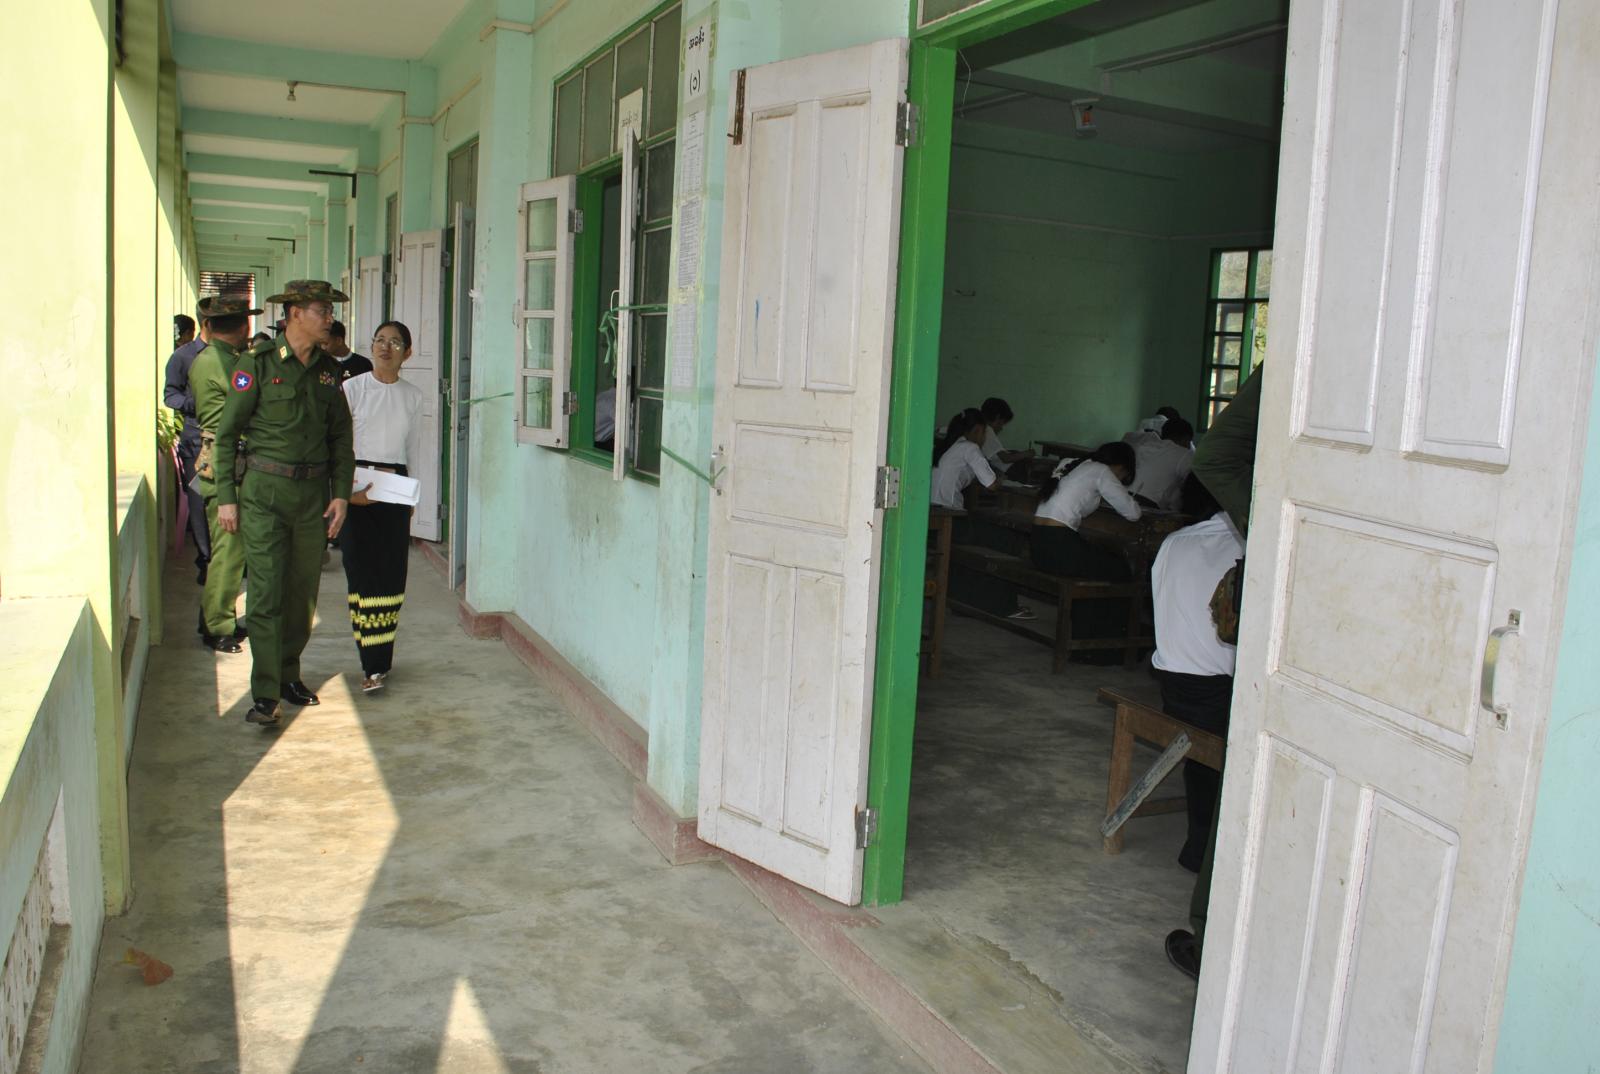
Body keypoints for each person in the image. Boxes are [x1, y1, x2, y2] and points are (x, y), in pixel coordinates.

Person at [214, 280, 356, 728]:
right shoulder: (256, 364)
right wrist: (226, 499)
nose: (329, 318)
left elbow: (341, 439)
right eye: (321, 310)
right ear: (295, 313)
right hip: (264, 494)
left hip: (312, 497)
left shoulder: (329, 372)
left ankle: (289, 675)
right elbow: (225, 436)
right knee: (265, 593)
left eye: (330, 310)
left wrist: (340, 493)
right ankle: (265, 693)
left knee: (301, 595)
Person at [1164, 365, 1261, 980]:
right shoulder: (1238, 541)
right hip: (1217, 687)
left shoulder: (1190, 540)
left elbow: (1218, 455)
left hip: (1176, 681)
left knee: (1235, 784)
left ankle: (1211, 933)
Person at [1149, 476, 1241, 885]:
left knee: (1203, 760)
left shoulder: (1175, 542)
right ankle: (1207, 851)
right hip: (1215, 689)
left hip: (1171, 681)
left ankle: (1200, 844)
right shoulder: (1244, 547)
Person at [341, 320, 424, 693]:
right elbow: (339, 444)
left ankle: (378, 664)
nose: (385, 348)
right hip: (356, 484)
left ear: (408, 353)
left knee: (390, 574)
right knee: (361, 572)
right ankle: (369, 661)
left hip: (395, 487)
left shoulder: (413, 396)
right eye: (379, 340)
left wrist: (412, 497)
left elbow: (415, 448)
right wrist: (345, 490)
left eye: (395, 343)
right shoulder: (352, 389)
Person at [189, 295, 264, 653]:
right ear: (244, 326)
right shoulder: (222, 363)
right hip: (226, 462)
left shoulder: (219, 358)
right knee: (229, 551)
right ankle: (216, 624)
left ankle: (216, 616)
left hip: (228, 460)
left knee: (230, 550)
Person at [1030, 441, 1140, 580]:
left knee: (1099, 558)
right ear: (1121, 467)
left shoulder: (1068, 463)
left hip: (1037, 545)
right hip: (1059, 548)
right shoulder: (1101, 470)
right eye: (1123, 476)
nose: (1118, 480)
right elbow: (1134, 513)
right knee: (1121, 569)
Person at [165, 306, 213, 583]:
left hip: (233, 442)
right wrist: (194, 404)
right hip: (197, 442)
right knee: (200, 502)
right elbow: (170, 395)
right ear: (207, 324)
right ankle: (206, 560)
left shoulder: (237, 357)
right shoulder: (183, 356)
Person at [930, 408, 999, 509]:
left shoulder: (952, 445)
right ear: (977, 430)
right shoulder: (970, 447)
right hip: (947, 506)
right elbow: (991, 485)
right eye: (984, 433)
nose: (984, 438)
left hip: (930, 502)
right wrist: (1000, 481)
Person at [1128, 417, 1194, 511]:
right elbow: (1193, 483)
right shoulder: (1184, 454)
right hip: (1148, 506)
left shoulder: (1144, 446)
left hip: (1123, 497)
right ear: (1186, 439)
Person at [978, 397, 1035, 474]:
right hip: (1009, 470)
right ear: (997, 417)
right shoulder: (987, 430)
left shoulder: (982, 429)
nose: (1001, 428)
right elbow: (1006, 459)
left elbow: (995, 454)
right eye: (1002, 423)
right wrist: (1026, 453)